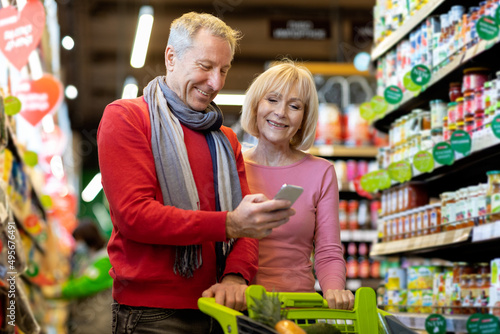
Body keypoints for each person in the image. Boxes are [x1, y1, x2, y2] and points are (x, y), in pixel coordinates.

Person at [97, 12, 295, 334]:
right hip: (152, 315)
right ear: (171, 57)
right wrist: (229, 223)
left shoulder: (225, 139)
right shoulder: (128, 118)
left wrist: (235, 276)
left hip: (221, 310)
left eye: (224, 70)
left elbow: (247, 224)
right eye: (205, 67)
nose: (216, 83)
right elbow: (134, 216)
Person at [240, 59, 355, 310]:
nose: (280, 112)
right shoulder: (232, 165)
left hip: (298, 307)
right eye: (272, 100)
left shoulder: (321, 172)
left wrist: (335, 290)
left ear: (303, 119)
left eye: (294, 106)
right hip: (238, 305)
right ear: (256, 104)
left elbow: (328, 249)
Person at [42, 218, 113, 333]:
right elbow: (77, 280)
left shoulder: (105, 260)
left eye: (78, 240)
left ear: (88, 238)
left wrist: (57, 291)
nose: (77, 245)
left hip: (97, 322)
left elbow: (85, 285)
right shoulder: (89, 259)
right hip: (85, 320)